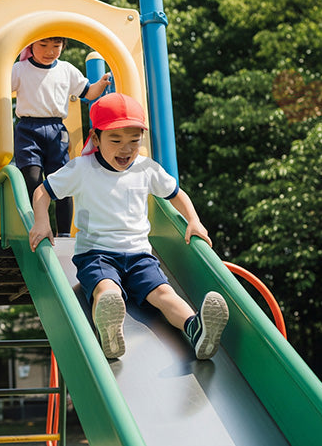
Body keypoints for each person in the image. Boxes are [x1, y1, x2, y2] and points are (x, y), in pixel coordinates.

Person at [28, 93, 229, 360]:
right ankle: (108, 329)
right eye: (116, 140)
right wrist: (42, 222)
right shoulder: (82, 168)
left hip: (140, 256)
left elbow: (176, 193)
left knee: (164, 293)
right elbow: (43, 191)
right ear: (96, 138)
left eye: (134, 140)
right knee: (107, 289)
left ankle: (195, 328)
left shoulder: (146, 169)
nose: (126, 149)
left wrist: (194, 220)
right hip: (96, 254)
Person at [13, 37, 112, 236]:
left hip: (56, 129)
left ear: (63, 46)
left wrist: (100, 84)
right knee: (32, 177)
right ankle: (37, 225)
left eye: (56, 46)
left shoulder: (66, 70)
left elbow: (88, 92)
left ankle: (64, 233)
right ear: (31, 45)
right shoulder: (20, 69)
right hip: (28, 129)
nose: (50, 51)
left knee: (62, 182)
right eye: (43, 45)